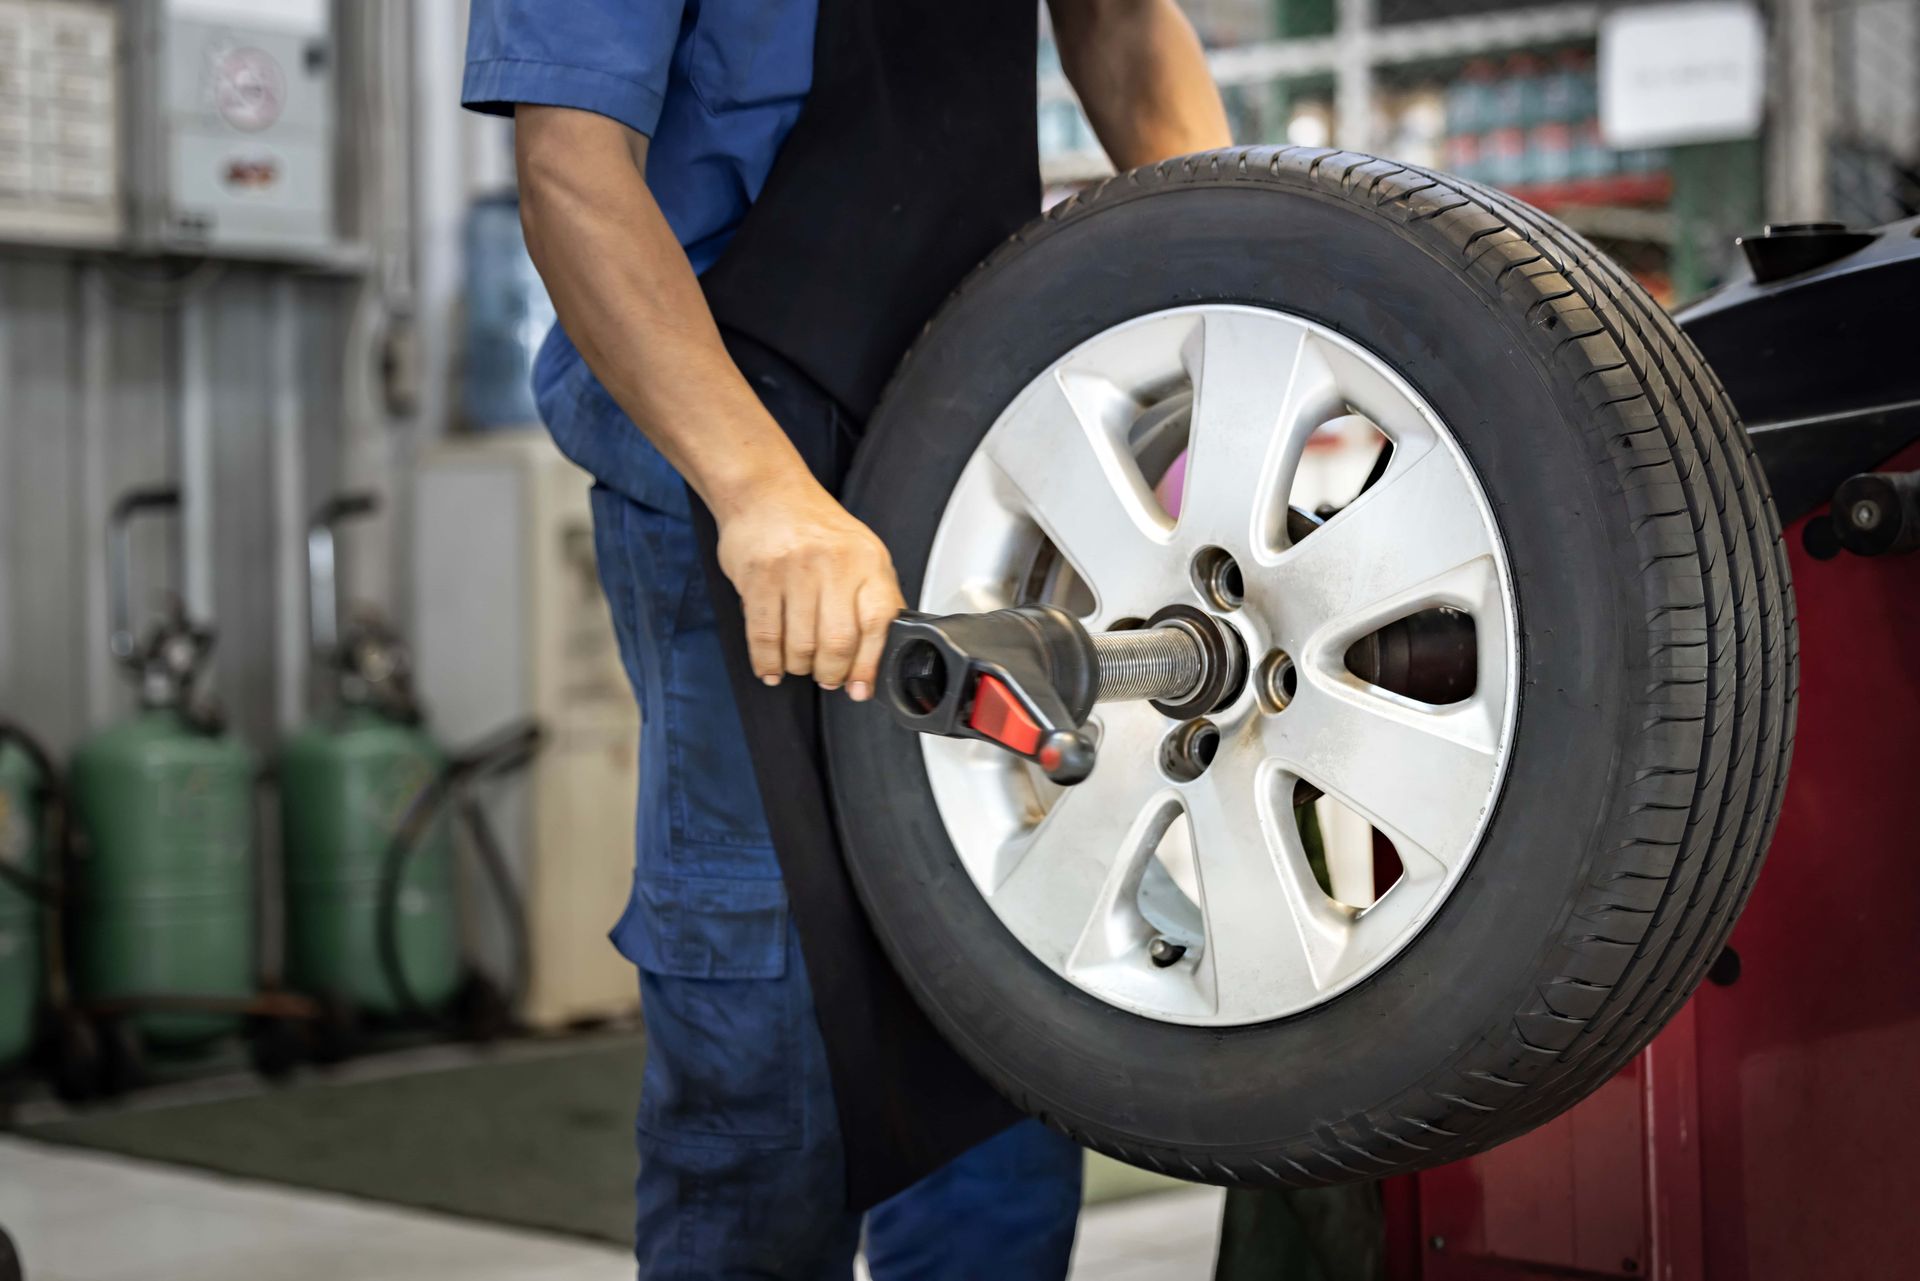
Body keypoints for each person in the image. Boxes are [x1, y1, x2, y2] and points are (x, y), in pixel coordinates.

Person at [462, 2, 1230, 1276]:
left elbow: (1126, 27)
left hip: (982, 417)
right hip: (735, 431)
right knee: (774, 1022)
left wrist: (1253, 305)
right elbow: (569, 167)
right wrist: (760, 493)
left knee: (1008, 993)